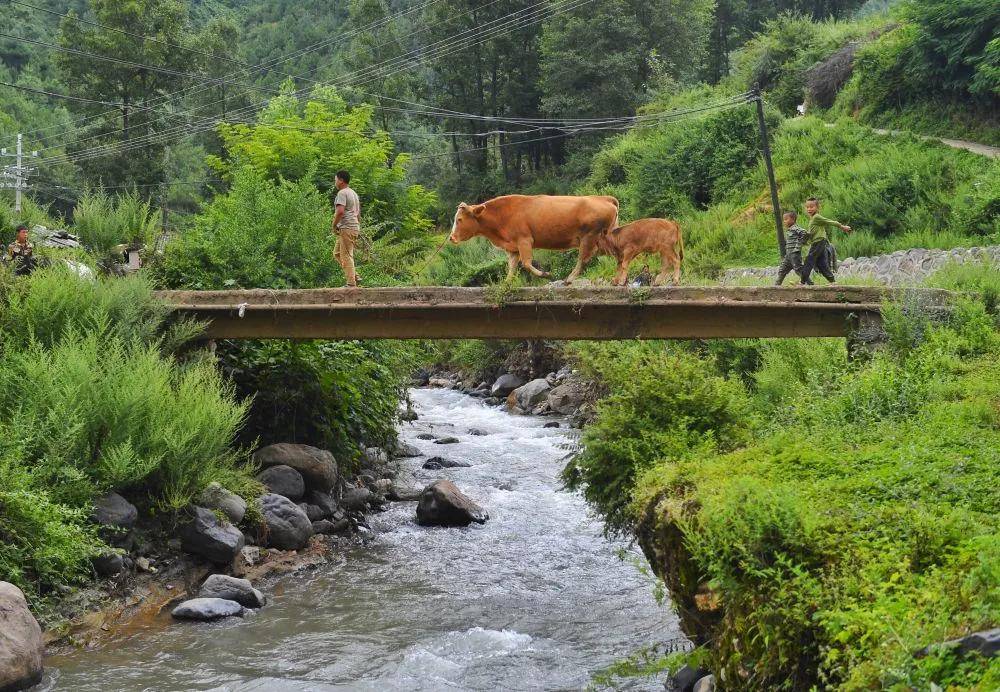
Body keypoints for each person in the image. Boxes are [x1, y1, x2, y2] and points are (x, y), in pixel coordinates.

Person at [801, 197, 851, 284]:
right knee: (821, 264)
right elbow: (812, 232)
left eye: (811, 207)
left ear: (817, 207)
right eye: (807, 207)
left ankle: (802, 282)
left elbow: (830, 222)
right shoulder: (813, 219)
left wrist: (842, 227)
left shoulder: (816, 217)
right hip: (819, 242)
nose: (809, 209)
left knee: (809, 260)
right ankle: (833, 281)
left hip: (818, 242)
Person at [332, 169, 362, 287]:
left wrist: (334, 225)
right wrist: (357, 227)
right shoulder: (354, 193)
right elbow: (358, 213)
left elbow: (340, 212)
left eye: (335, 180)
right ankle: (354, 275)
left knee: (346, 255)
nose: (334, 182)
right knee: (337, 253)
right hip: (353, 227)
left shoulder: (342, 193)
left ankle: (351, 284)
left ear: (341, 180)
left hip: (346, 227)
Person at [775, 210, 807, 285]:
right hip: (788, 255)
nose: (784, 221)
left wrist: (799, 245)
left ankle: (810, 284)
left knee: (798, 270)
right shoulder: (789, 230)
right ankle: (776, 286)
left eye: (786, 219)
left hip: (794, 255)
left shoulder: (795, 228)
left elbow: (804, 233)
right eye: (784, 220)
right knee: (782, 270)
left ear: (792, 219)